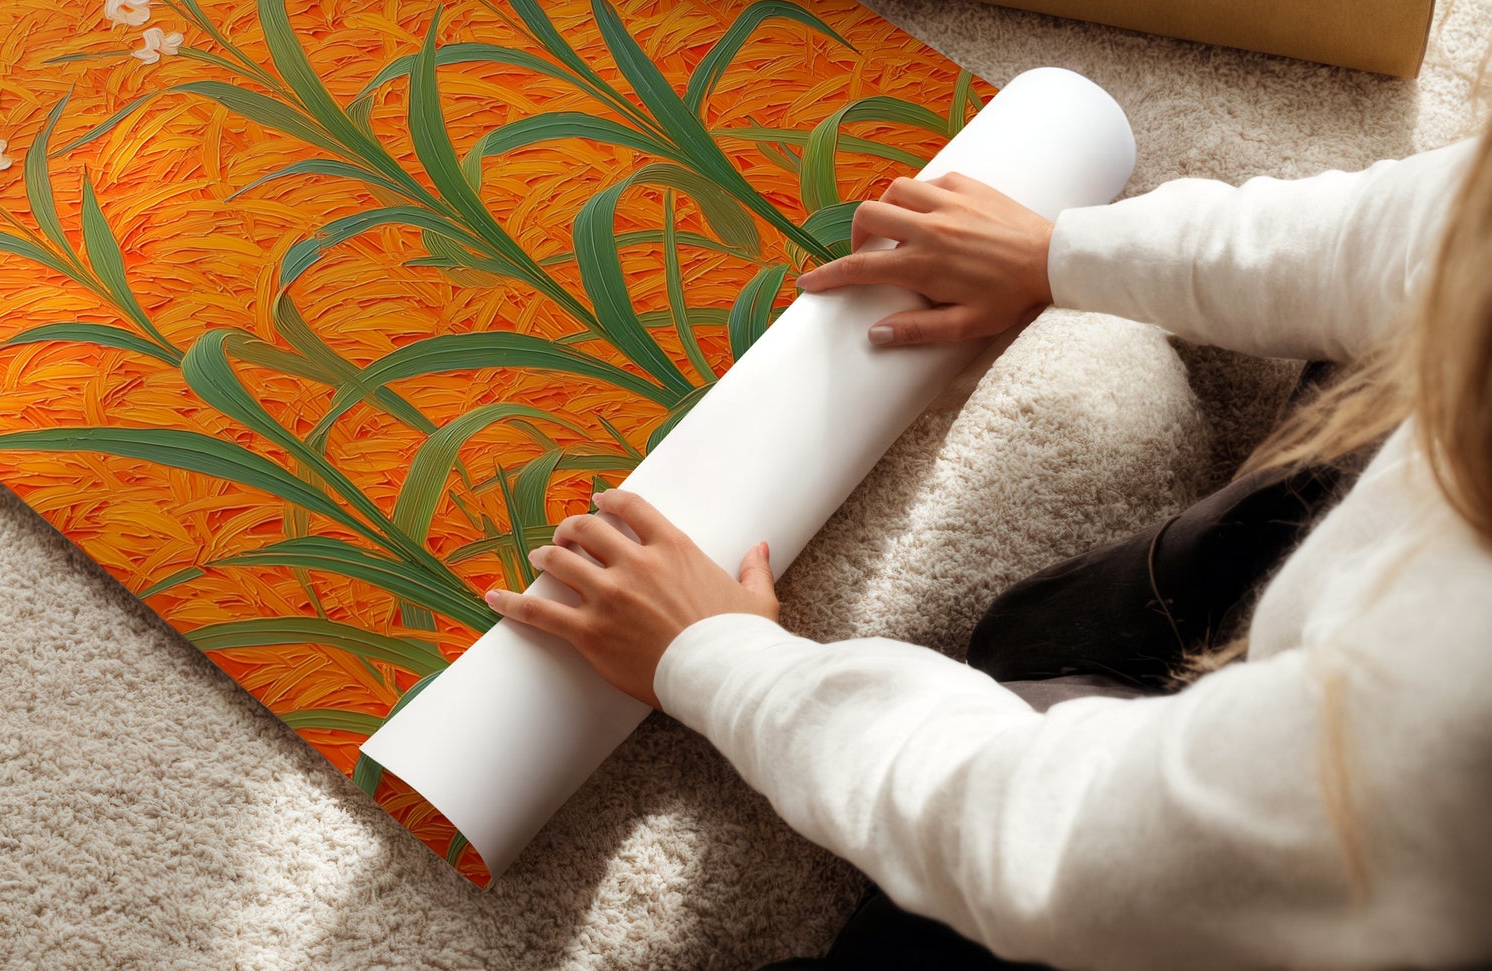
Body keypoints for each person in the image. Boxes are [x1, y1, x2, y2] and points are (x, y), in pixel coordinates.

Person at [484, 131, 1492, 969]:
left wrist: (720, 661)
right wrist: (1060, 251)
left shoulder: (1443, 720)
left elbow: (1054, 844)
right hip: (1363, 691)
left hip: (1357, 883)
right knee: (1041, 634)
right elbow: (1417, 231)